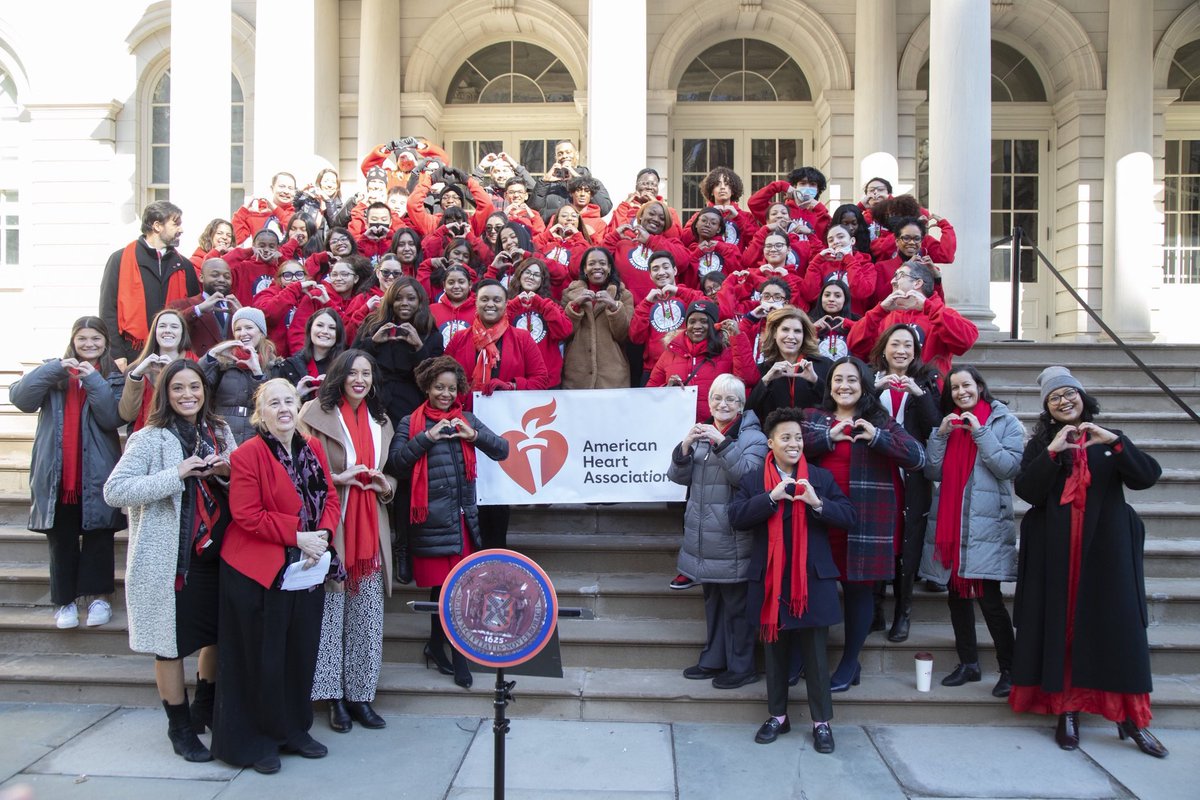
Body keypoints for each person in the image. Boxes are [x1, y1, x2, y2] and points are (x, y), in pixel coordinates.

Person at [1009, 367, 1168, 757]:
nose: (1064, 401)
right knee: (1061, 627)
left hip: (1105, 552)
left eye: (1069, 394)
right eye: (1054, 398)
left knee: (1115, 629)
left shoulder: (1109, 441)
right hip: (1056, 553)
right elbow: (1028, 491)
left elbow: (1147, 477)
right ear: (1047, 407)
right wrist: (1053, 451)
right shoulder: (1041, 444)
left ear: (1082, 397)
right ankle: (1067, 711)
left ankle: (1130, 719)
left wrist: (1114, 441)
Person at [103, 359, 234, 763]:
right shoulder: (149, 438)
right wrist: (175, 474)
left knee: (216, 636)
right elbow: (115, 491)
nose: (187, 395)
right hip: (170, 563)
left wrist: (226, 470)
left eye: (194, 386)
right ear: (166, 393)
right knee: (170, 646)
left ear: (204, 390)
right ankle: (178, 726)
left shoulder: (220, 431)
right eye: (178, 388)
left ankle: (203, 708)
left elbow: (241, 478)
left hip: (218, 555)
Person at [211, 378, 340, 774]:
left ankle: (293, 731)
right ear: (260, 413)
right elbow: (247, 515)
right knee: (260, 659)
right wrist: (297, 534)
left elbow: (331, 497)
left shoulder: (313, 447)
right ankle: (255, 741)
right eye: (274, 403)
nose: (284, 408)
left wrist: (323, 535)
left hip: (305, 568)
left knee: (299, 653)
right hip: (257, 573)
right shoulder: (249, 454)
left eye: (289, 401)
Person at [728, 407, 855, 753]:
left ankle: (821, 723)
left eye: (798, 437)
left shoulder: (820, 477)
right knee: (775, 654)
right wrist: (770, 498)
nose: (794, 443)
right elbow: (735, 517)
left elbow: (849, 516)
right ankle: (777, 716)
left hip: (811, 581)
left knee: (815, 655)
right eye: (786, 438)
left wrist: (817, 503)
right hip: (770, 580)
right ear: (771, 443)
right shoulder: (755, 480)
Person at [800, 357, 925, 693]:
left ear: (865, 385)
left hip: (867, 520)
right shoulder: (813, 418)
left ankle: (849, 662)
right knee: (815, 589)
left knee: (858, 590)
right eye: (838, 379)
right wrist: (829, 436)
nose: (844, 386)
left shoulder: (879, 421)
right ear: (829, 385)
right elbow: (792, 448)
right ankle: (804, 657)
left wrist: (877, 438)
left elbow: (918, 458)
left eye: (852, 380)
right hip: (819, 517)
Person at [388, 356, 509, 689]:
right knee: (441, 590)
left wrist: (474, 436)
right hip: (428, 523)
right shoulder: (409, 423)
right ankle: (446, 651)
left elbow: (503, 450)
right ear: (427, 387)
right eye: (438, 387)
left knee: (458, 590)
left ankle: (449, 651)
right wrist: (428, 437)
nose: (444, 393)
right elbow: (396, 464)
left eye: (451, 388)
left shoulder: (466, 419)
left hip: (462, 523)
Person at [299, 350, 396, 734]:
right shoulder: (313, 415)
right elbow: (300, 470)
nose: (360, 379)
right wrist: (338, 478)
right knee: (330, 615)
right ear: (338, 376)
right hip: (333, 524)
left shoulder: (381, 421)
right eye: (352, 372)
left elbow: (390, 474)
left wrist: (385, 486)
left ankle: (360, 696)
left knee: (368, 616)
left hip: (371, 525)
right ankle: (332, 698)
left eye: (366, 373)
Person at [9, 316, 125, 630]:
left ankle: (98, 598)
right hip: (57, 473)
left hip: (98, 471)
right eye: (82, 339)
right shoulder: (53, 373)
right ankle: (65, 602)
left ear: (105, 341)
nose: (89, 344)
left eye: (95, 339)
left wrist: (93, 380)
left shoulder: (114, 376)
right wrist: (54, 369)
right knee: (61, 540)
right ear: (73, 340)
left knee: (99, 535)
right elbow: (20, 399)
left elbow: (112, 418)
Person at [920, 365, 1023, 698]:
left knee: (990, 601)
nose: (961, 392)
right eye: (954, 388)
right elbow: (932, 470)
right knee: (956, 599)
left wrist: (979, 432)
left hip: (984, 525)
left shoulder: (1002, 421)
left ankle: (1010, 668)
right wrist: (940, 435)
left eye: (966, 385)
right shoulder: (948, 423)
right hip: (950, 525)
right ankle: (969, 663)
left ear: (979, 385)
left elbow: (1009, 467)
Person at [669, 375, 768, 688]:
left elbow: (748, 477)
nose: (722, 405)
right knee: (713, 602)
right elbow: (678, 477)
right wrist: (683, 448)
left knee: (737, 607)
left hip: (733, 537)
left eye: (730, 400)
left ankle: (742, 666)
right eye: (717, 398)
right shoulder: (700, 433)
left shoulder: (754, 438)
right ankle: (714, 659)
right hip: (702, 535)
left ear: (740, 405)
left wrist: (722, 443)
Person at [868, 324, 940, 642]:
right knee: (879, 539)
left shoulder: (928, 382)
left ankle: (903, 612)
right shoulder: (869, 378)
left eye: (908, 346)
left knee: (907, 543)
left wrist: (919, 395)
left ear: (916, 351)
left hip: (912, 476)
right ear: (884, 348)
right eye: (895, 344)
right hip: (876, 472)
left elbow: (936, 427)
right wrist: (873, 390)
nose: (901, 351)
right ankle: (875, 608)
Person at [99, 201, 201, 364]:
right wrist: (117, 354)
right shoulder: (120, 259)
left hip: (174, 355)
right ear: (157, 226)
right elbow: (108, 310)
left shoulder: (184, 265)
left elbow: (193, 312)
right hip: (131, 354)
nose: (181, 230)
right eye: (176, 224)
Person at [847, 260, 978, 380]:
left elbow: (966, 341)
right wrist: (880, 310)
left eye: (900, 276)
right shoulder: (884, 316)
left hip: (930, 397)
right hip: (891, 396)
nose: (893, 281)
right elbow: (855, 344)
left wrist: (929, 308)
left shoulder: (942, 314)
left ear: (917, 283)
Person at [647, 300, 758, 421]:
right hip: (677, 426)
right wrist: (668, 388)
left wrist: (737, 337)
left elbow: (749, 379)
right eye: (692, 321)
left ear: (714, 325)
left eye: (704, 321)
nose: (697, 326)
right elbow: (650, 394)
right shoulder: (669, 353)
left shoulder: (727, 351)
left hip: (717, 428)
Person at [561, 247, 636, 389]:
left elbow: (624, 335)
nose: (597, 267)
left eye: (602, 263)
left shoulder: (624, 295)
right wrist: (576, 305)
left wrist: (614, 306)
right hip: (577, 376)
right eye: (592, 263)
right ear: (584, 269)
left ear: (609, 268)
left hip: (612, 377)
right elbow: (564, 333)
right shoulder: (569, 295)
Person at [629, 251, 706, 383]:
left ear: (675, 270)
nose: (661, 272)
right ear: (650, 276)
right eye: (655, 269)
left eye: (666, 267)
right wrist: (647, 303)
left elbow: (709, 307)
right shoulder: (647, 302)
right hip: (654, 369)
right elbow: (636, 337)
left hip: (687, 365)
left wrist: (678, 291)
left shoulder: (687, 294)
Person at [201, 307, 275, 444]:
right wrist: (212, 355)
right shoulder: (224, 360)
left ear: (261, 332)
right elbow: (199, 383)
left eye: (249, 327)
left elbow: (270, 402)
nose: (243, 333)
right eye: (238, 329)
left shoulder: (273, 364)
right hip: (222, 435)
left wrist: (257, 373)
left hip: (256, 436)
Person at [747, 306, 829, 422]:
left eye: (797, 331)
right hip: (773, 438)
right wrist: (765, 381)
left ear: (804, 335)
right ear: (775, 333)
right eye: (785, 329)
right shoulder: (763, 370)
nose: (791, 336)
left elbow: (836, 405)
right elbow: (749, 412)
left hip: (813, 436)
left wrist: (816, 381)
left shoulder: (824, 365)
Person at [119, 308, 195, 431]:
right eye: (162, 326)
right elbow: (127, 414)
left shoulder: (196, 364)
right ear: (155, 332)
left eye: (174, 326)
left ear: (182, 333)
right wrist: (136, 376)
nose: (167, 330)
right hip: (145, 438)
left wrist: (175, 373)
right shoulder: (135, 369)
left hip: (185, 436)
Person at [507, 258, 573, 388]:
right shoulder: (508, 304)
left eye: (536, 275)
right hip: (515, 380)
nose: (531, 277)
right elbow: (496, 330)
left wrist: (541, 304)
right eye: (527, 272)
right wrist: (513, 305)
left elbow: (564, 331)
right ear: (519, 275)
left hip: (548, 381)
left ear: (542, 281)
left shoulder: (550, 305)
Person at [273, 307, 347, 402]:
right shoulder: (289, 366)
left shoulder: (345, 367)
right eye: (320, 325)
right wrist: (297, 394)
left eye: (332, 328)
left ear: (338, 334)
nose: (325, 331)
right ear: (310, 329)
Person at [171, 257, 239, 357]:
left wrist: (242, 315)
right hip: (198, 368)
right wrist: (199, 309)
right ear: (201, 277)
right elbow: (170, 326)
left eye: (227, 277)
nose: (222, 280)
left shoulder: (237, 306)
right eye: (215, 275)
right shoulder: (181, 305)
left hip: (233, 368)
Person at [747, 166, 832, 243]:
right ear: (794, 187)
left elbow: (825, 240)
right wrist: (780, 185)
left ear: (817, 189)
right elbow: (754, 203)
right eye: (803, 183)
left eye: (812, 184)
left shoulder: (821, 214)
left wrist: (819, 208)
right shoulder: (779, 212)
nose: (807, 187)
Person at [532, 139, 613, 219]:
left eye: (568, 152)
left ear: (577, 155)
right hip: (554, 229)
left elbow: (604, 209)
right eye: (560, 154)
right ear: (556, 158)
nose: (564, 156)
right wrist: (544, 182)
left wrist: (579, 180)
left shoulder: (593, 182)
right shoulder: (547, 185)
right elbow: (535, 213)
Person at [233, 172, 296, 244]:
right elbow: (238, 238)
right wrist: (244, 210)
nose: (286, 191)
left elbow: (292, 227)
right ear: (272, 188)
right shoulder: (258, 213)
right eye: (282, 186)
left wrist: (275, 210)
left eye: (290, 188)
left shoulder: (296, 214)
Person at [429, 263, 477, 347]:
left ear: (470, 284)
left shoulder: (479, 310)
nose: (456, 286)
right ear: (444, 285)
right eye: (451, 283)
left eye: (461, 282)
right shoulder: (432, 310)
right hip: (439, 359)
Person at [809, 280, 856, 361]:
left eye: (837, 296)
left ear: (845, 300)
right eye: (827, 295)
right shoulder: (809, 320)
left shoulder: (856, 321)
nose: (831, 299)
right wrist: (813, 329)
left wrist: (851, 326)